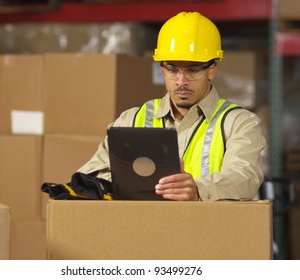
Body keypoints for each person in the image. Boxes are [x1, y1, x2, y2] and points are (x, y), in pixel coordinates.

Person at [77, 11, 266, 201]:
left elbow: (244, 178)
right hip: (143, 227)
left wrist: (197, 190)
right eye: (172, 70)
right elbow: (91, 174)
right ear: (162, 68)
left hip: (206, 228)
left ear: (212, 70)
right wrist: (128, 183)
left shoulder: (239, 123)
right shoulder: (131, 120)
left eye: (192, 70)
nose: (181, 81)